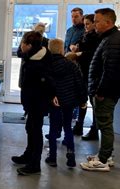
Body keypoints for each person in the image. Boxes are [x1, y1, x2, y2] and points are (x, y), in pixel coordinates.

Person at [80, 8, 120, 172]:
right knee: (105, 123)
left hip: (105, 93)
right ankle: (106, 155)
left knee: (105, 125)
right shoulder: (108, 38)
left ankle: (102, 160)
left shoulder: (113, 41)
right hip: (104, 90)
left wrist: (100, 91)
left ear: (108, 22)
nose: (95, 24)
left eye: (97, 21)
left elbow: (110, 70)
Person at [12, 31, 55, 175]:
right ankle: (28, 155)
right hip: (34, 102)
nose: (20, 46)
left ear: (29, 45)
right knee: (30, 128)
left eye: (22, 43)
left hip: (38, 102)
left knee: (35, 131)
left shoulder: (37, 62)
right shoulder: (35, 56)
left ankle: (35, 164)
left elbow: (38, 86)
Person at [46, 38, 87, 168]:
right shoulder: (71, 64)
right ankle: (71, 156)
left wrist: (49, 97)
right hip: (69, 101)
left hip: (54, 102)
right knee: (68, 127)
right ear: (62, 50)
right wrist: (82, 101)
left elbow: (45, 84)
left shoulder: (47, 65)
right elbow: (79, 83)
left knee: (53, 129)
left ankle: (52, 157)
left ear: (49, 49)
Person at [71, 14, 101, 139]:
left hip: (92, 73)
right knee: (81, 99)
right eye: (85, 24)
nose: (86, 26)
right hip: (82, 72)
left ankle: (94, 129)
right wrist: (73, 46)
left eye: (88, 24)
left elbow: (94, 54)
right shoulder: (85, 34)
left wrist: (79, 54)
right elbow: (78, 43)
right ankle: (79, 125)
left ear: (94, 23)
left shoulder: (98, 37)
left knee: (93, 102)